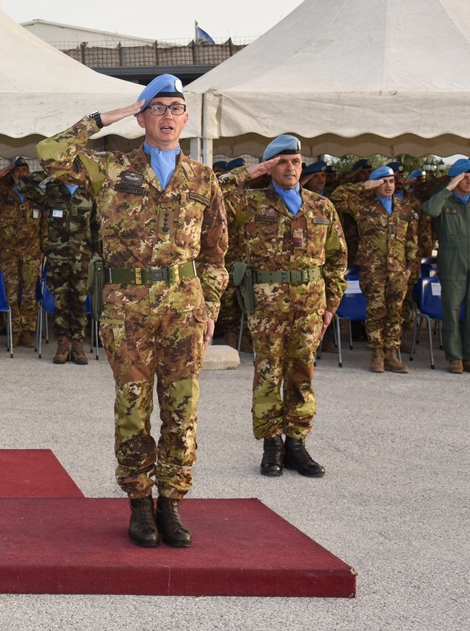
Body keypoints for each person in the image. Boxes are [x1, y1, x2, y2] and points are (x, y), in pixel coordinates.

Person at [36, 73, 228, 549]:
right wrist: (110, 116)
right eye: (157, 107)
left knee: (183, 408)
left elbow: (216, 253)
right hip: (128, 307)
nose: (168, 116)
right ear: (143, 116)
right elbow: (49, 152)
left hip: (185, 306)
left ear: (186, 119)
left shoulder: (203, 178)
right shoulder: (112, 169)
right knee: (133, 406)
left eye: (176, 108)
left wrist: (212, 307)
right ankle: (140, 503)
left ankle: (173, 503)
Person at [220, 136, 347, 479]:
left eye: (295, 161)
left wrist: (330, 304)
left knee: (301, 374)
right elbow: (210, 196)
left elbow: (336, 260)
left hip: (310, 306)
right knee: (268, 373)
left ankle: (296, 444)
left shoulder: (322, 207)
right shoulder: (248, 202)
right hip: (267, 306)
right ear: (269, 167)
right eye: (282, 162)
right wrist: (248, 173)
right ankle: (271, 445)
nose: (290, 168)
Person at [331, 166, 419, 374]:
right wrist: (364, 186)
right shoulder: (361, 205)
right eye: (383, 181)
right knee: (376, 311)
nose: (388, 185)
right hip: (373, 269)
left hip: (398, 270)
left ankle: (391, 355)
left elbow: (412, 241)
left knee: (395, 313)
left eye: (391, 181)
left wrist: (409, 268)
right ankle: (377, 355)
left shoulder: (404, 208)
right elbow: (336, 197)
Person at [16, 168, 97, 364]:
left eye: (75, 169)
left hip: (81, 259)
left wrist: (96, 254)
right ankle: (62, 344)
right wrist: (47, 173)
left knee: (79, 301)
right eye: (67, 169)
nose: (72, 173)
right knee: (60, 302)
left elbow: (96, 227)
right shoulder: (51, 191)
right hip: (57, 258)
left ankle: (78, 345)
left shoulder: (89, 193)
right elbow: (23, 186)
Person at [0, 157, 43, 348]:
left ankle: (28, 332)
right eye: (18, 171)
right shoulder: (1, 194)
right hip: (8, 253)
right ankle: (14, 331)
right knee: (10, 294)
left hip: (31, 253)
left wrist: (43, 250)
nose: (22, 173)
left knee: (29, 294)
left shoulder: (37, 195)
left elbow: (45, 225)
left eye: (25, 170)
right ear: (12, 175)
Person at [421, 159, 470, 373]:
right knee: (451, 309)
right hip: (452, 260)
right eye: (464, 176)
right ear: (454, 178)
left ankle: (468, 355)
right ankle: (455, 357)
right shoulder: (445, 200)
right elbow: (429, 210)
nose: (468, 181)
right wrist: (448, 188)